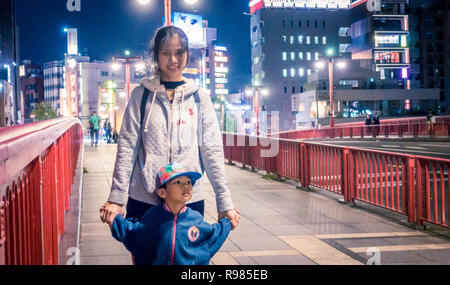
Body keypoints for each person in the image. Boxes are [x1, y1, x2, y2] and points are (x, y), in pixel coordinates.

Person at [99, 26, 240, 235]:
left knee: (187, 259)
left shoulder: (199, 97)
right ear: (156, 55)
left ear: (187, 54)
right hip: (145, 198)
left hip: (188, 199)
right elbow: (127, 147)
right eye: (166, 53)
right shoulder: (141, 95)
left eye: (179, 53)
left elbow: (211, 150)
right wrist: (116, 198)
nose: (173, 60)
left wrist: (224, 201)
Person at [106, 162, 231, 265]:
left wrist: (227, 222)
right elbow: (133, 233)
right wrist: (114, 218)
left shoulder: (195, 218)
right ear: (162, 193)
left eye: (188, 182)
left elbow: (212, 235)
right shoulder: (152, 217)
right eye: (177, 182)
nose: (186, 186)